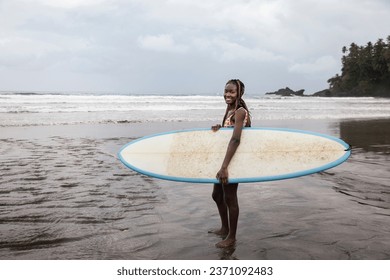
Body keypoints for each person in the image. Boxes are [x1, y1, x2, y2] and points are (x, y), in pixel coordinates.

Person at [210, 79, 251, 248]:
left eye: (232, 92)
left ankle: (232, 237)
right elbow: (230, 132)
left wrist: (225, 167)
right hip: (224, 158)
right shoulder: (229, 110)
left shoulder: (240, 111)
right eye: (226, 91)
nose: (228, 94)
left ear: (239, 93)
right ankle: (224, 227)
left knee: (230, 198)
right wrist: (220, 128)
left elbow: (236, 139)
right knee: (217, 195)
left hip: (232, 161)